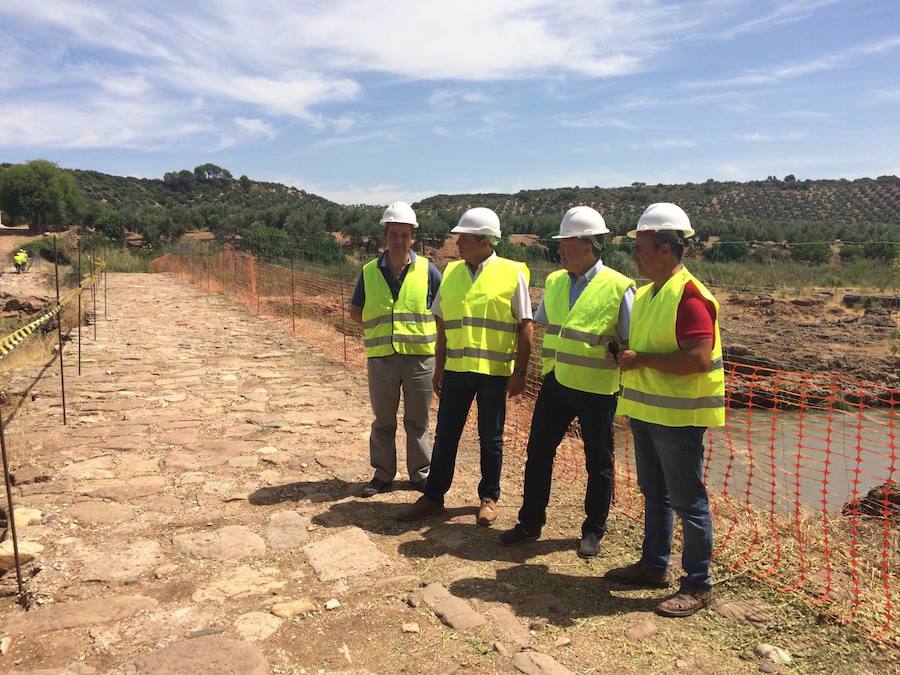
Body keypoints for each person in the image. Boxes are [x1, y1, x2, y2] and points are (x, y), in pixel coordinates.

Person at [603, 202, 725, 618]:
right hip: (647, 413)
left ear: (666, 248)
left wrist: (641, 360)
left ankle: (698, 584)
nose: (635, 255)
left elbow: (698, 359)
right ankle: (654, 565)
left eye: (641, 247)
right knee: (655, 493)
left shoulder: (689, 296)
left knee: (688, 501)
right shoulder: (647, 294)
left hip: (678, 419)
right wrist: (624, 356)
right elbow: (647, 350)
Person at [499, 206, 634, 557]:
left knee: (598, 463)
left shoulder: (619, 286)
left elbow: (632, 341)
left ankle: (594, 530)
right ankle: (530, 523)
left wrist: (619, 351)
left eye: (566, 243)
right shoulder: (556, 281)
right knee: (538, 453)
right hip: (557, 383)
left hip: (596, 389)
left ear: (587, 247)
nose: (559, 249)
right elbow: (549, 326)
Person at [397, 207, 532, 526]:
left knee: (491, 437)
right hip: (456, 372)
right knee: (446, 435)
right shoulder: (452, 272)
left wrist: (520, 373)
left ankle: (489, 497)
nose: (456, 243)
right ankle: (433, 497)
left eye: (464, 238)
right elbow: (443, 323)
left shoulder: (512, 273)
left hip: (494, 374)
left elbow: (525, 326)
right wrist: (440, 367)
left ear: (484, 241)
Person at [349, 202, 442, 497]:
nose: (399, 240)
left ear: (413, 237)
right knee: (383, 421)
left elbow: (443, 311)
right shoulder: (369, 271)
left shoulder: (428, 271)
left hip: (420, 359)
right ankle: (382, 475)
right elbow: (355, 311)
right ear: (385, 236)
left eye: (404, 234)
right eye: (393, 234)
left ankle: (421, 474)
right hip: (382, 359)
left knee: (418, 421)